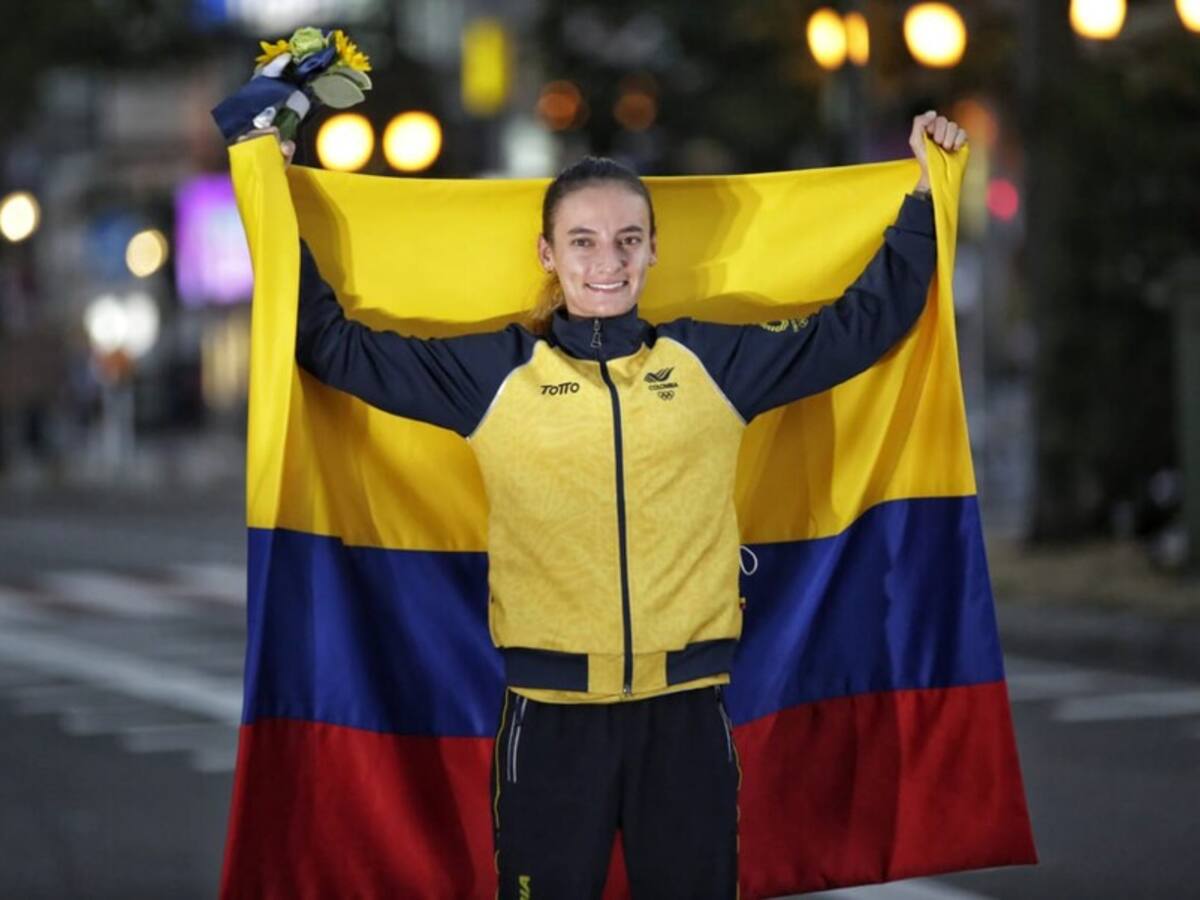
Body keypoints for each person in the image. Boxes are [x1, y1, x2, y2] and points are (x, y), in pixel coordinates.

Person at [242, 110, 967, 899]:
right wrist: (268, 193)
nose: (607, 261)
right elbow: (329, 343)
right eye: (582, 240)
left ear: (656, 249)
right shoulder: (495, 376)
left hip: (687, 720)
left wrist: (930, 192)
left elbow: (860, 328)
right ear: (548, 255)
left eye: (628, 239)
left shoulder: (711, 364)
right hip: (549, 723)